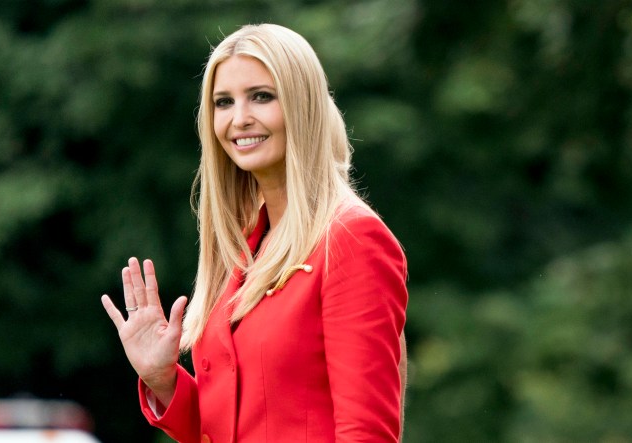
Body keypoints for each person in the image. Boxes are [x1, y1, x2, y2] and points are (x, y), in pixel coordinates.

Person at [101, 23, 408, 443]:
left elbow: (366, 434)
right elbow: (228, 426)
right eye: (223, 102)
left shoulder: (352, 239)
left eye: (261, 96)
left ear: (303, 105)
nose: (239, 119)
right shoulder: (246, 248)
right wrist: (162, 379)